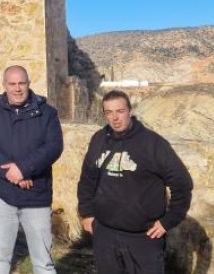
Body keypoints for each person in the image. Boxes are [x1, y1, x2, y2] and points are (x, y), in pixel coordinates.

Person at [77, 90, 193, 274]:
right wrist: (86, 213)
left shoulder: (152, 144)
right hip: (105, 234)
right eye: (109, 112)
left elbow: (182, 182)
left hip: (143, 238)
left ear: (130, 111)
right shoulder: (99, 139)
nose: (115, 118)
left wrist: (167, 221)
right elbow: (87, 179)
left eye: (120, 111)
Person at [0, 65, 63, 274]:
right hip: (2, 195)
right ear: (4, 85)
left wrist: (23, 169)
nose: (17, 88)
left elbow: (53, 147)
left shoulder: (47, 113)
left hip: (36, 197)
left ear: (29, 84)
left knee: (44, 262)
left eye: (21, 83)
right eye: (12, 84)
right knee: (0, 259)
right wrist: (10, 173)